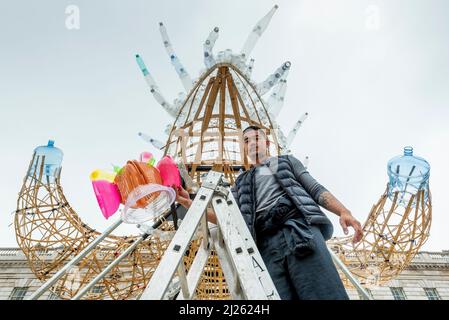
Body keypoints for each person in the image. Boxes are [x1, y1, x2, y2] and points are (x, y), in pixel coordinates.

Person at [174, 125, 363, 300]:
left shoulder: (286, 162)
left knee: (322, 292)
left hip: (299, 231)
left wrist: (343, 211)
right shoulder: (241, 183)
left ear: (267, 143)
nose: (252, 143)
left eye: (256, 138)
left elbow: (314, 188)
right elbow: (230, 217)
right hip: (264, 245)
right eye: (246, 141)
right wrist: (192, 204)